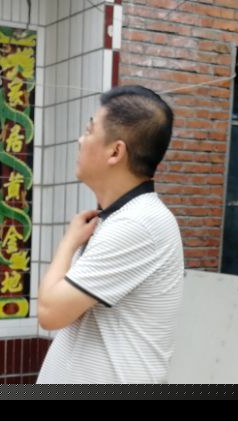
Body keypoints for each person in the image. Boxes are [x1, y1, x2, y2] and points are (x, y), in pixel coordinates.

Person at [37, 85, 184, 384]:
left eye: (89, 130)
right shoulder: (120, 218)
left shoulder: (138, 224)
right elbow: (72, 311)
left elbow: (51, 312)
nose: (80, 140)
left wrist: (68, 243)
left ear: (115, 151)